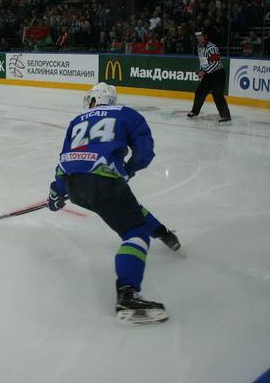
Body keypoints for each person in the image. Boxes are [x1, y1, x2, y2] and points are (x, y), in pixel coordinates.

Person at [47, 82, 181, 325]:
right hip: (105, 183)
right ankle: (127, 296)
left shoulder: (77, 120)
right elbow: (144, 152)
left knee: (126, 209)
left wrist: (56, 192)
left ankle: (163, 232)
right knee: (136, 233)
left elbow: (64, 161)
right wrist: (128, 170)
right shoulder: (127, 114)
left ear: (94, 100)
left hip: (75, 187)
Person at [187, 29, 231, 123]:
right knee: (199, 92)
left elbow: (216, 63)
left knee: (217, 94)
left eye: (200, 36)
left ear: (205, 37)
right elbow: (202, 61)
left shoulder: (212, 48)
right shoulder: (199, 47)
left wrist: (204, 71)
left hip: (218, 74)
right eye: (197, 36)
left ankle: (225, 116)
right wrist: (201, 70)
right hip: (208, 74)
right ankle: (195, 112)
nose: (198, 38)